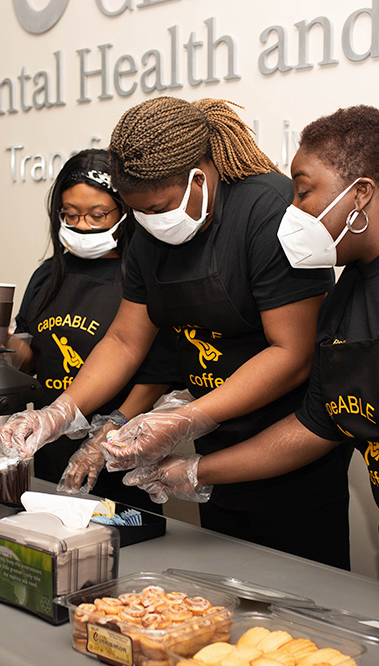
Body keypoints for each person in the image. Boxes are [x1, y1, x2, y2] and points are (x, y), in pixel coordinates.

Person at [0, 97, 353, 569]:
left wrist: (186, 418)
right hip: (216, 441)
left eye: (160, 207)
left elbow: (292, 353)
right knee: (226, 587)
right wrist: (62, 412)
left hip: (290, 441)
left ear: (199, 180)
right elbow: (126, 339)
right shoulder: (150, 233)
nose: (149, 221)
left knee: (298, 591)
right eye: (137, 211)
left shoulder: (267, 211)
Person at [129, 105, 379, 518]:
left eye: (302, 192)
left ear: (361, 192)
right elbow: (316, 425)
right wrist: (194, 470)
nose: (291, 210)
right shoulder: (341, 302)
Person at [0, 149, 181, 507]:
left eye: (97, 215)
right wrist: (2, 342)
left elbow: (156, 377)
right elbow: (31, 358)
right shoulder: (47, 275)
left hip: (117, 445)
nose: (82, 225)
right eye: (70, 215)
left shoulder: (142, 276)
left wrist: (102, 441)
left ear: (124, 211)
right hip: (47, 442)